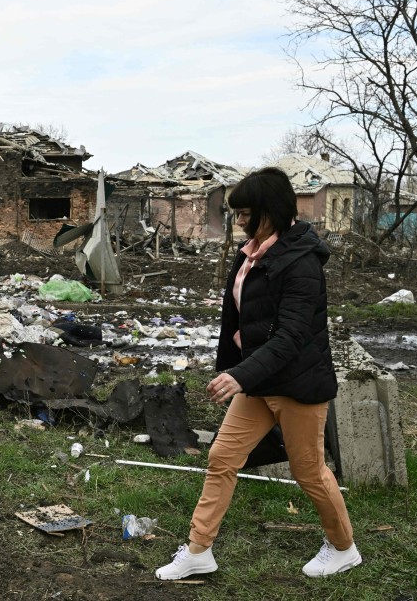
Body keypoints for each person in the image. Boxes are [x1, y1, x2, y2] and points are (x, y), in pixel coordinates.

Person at [155, 167, 361, 581]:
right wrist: (237, 367)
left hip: (298, 383)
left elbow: (290, 337)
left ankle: (343, 548)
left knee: (309, 472)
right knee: (222, 457)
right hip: (259, 379)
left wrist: (241, 375)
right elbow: (243, 316)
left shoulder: (302, 264)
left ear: (270, 210)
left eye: (246, 212)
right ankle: (199, 550)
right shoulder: (252, 253)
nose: (239, 221)